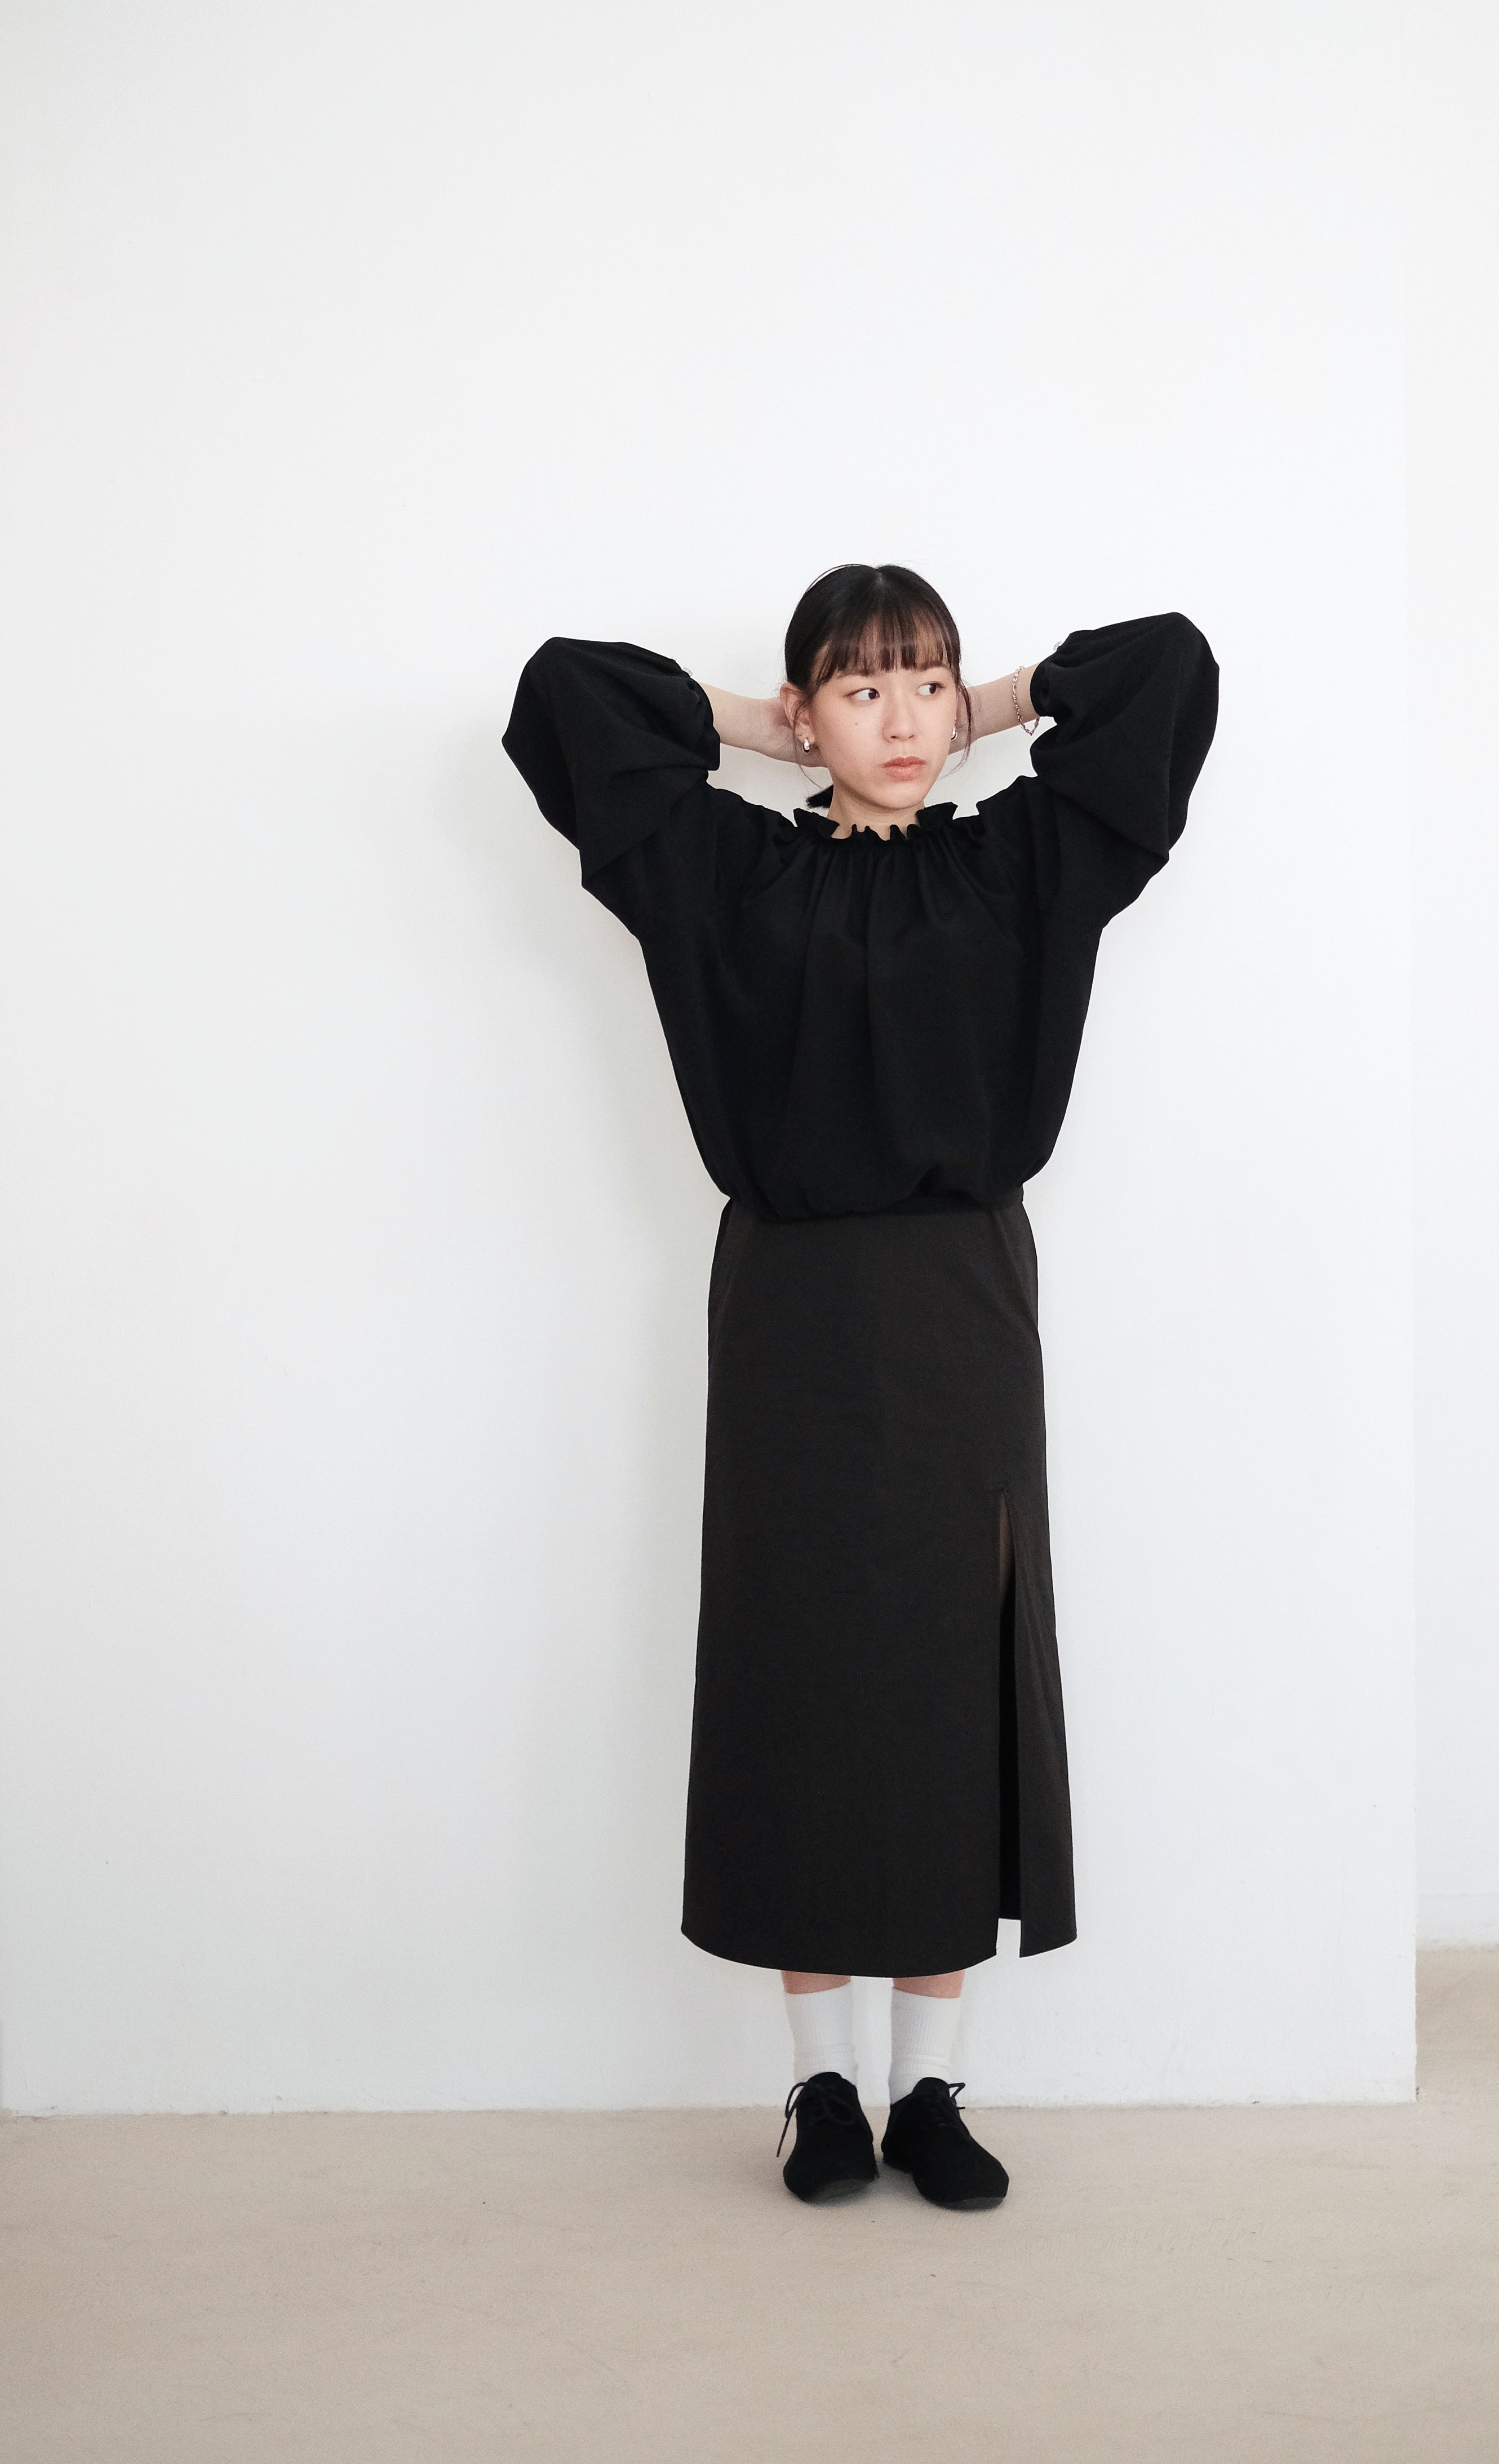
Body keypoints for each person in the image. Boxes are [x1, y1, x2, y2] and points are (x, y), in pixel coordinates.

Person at [503, 564, 1217, 2212]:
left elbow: (1170, 670)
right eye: (863, 687)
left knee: (950, 1671)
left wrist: (999, 706)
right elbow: (567, 694)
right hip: (792, 1310)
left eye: (927, 682)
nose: (903, 719)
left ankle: (931, 2092)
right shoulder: (732, 874)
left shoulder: (1021, 864)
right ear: (806, 707)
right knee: (803, 1671)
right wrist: (763, 733)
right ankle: (822, 2090)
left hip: (965, 1300)